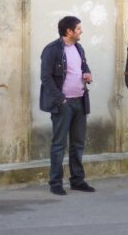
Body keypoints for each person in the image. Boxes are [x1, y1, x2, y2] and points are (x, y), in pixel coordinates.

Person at [39, 15, 95, 196]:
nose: (81, 31)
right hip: (64, 104)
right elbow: (46, 78)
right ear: (69, 31)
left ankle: (77, 181)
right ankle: (55, 182)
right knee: (59, 145)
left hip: (80, 101)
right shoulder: (52, 50)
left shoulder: (79, 48)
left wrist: (87, 73)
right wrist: (60, 99)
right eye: (78, 28)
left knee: (78, 144)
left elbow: (84, 66)